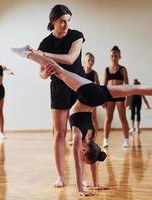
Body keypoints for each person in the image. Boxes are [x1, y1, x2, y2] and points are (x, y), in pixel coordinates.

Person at [11, 45, 152, 196]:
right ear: (83, 150)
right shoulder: (78, 136)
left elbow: (92, 159)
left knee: (138, 88)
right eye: (83, 156)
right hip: (87, 92)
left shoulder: (92, 138)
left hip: (101, 93)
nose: (81, 159)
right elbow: (79, 165)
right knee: (57, 69)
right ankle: (28, 53)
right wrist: (80, 189)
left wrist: (96, 184)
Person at [34, 4, 85, 187]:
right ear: (53, 21)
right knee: (59, 134)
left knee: (80, 133)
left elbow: (71, 59)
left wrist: (43, 55)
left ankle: (83, 176)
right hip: (58, 88)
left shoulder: (76, 35)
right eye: (62, 21)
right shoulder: (45, 42)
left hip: (78, 85)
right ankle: (61, 176)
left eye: (68, 20)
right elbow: (41, 73)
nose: (66, 24)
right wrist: (45, 74)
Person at [103, 46, 130, 148]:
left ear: (119, 57)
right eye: (112, 56)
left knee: (123, 118)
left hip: (120, 95)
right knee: (108, 118)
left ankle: (126, 140)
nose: (114, 58)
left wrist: (128, 98)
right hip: (109, 95)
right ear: (110, 57)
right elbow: (104, 85)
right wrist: (103, 99)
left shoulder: (123, 69)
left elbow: (127, 85)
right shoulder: (106, 70)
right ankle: (105, 140)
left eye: (116, 56)